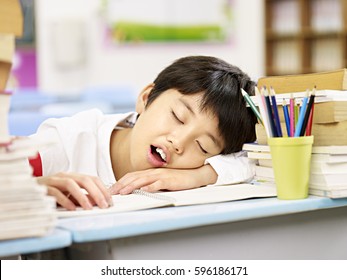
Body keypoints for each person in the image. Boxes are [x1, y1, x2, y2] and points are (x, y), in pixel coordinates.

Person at [29, 55, 257, 211]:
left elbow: (263, 162)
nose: (178, 142)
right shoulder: (65, 142)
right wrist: (29, 189)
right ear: (146, 98)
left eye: (202, 146)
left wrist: (197, 176)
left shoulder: (197, 171)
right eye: (178, 116)